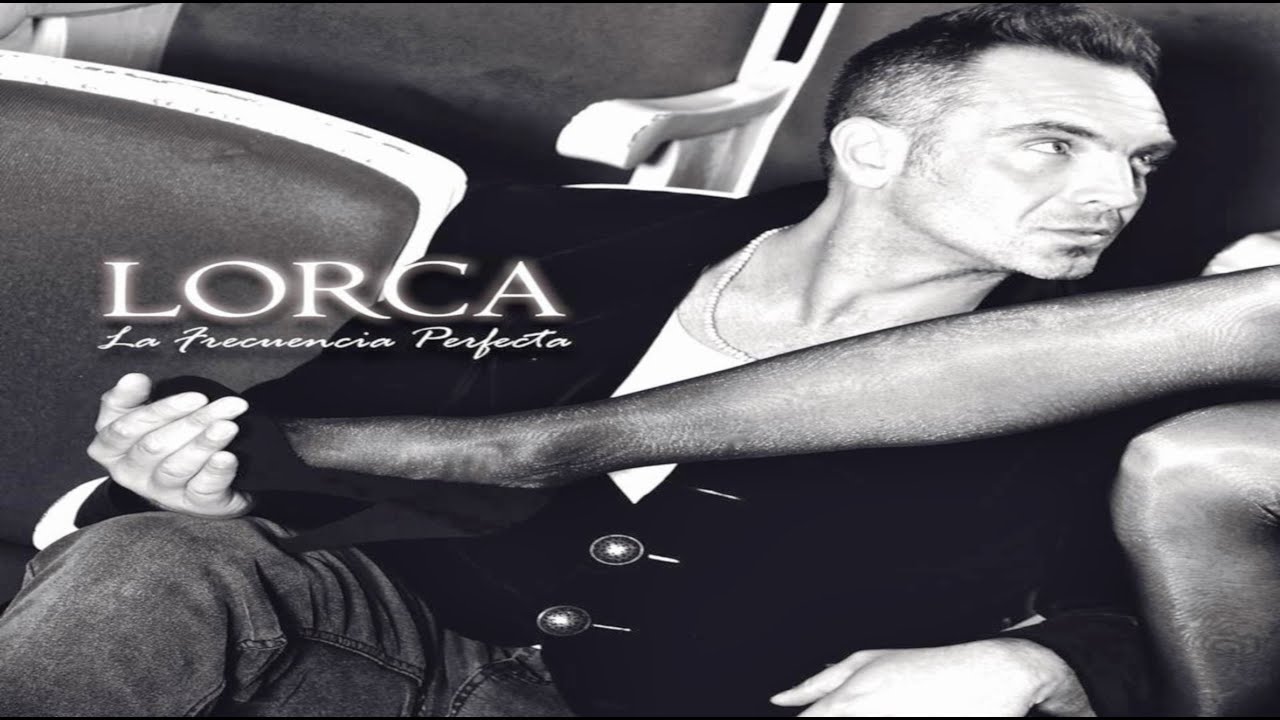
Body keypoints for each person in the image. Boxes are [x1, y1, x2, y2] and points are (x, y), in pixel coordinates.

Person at [4, 3, 1277, 716]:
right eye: (1053, 143)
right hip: (386, 647)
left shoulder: (1109, 363)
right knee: (152, 560)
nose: (1114, 194)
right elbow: (307, 415)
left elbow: (1165, 614)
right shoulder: (555, 237)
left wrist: (1033, 663)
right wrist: (186, 464)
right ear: (872, 149)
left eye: (1139, 163)